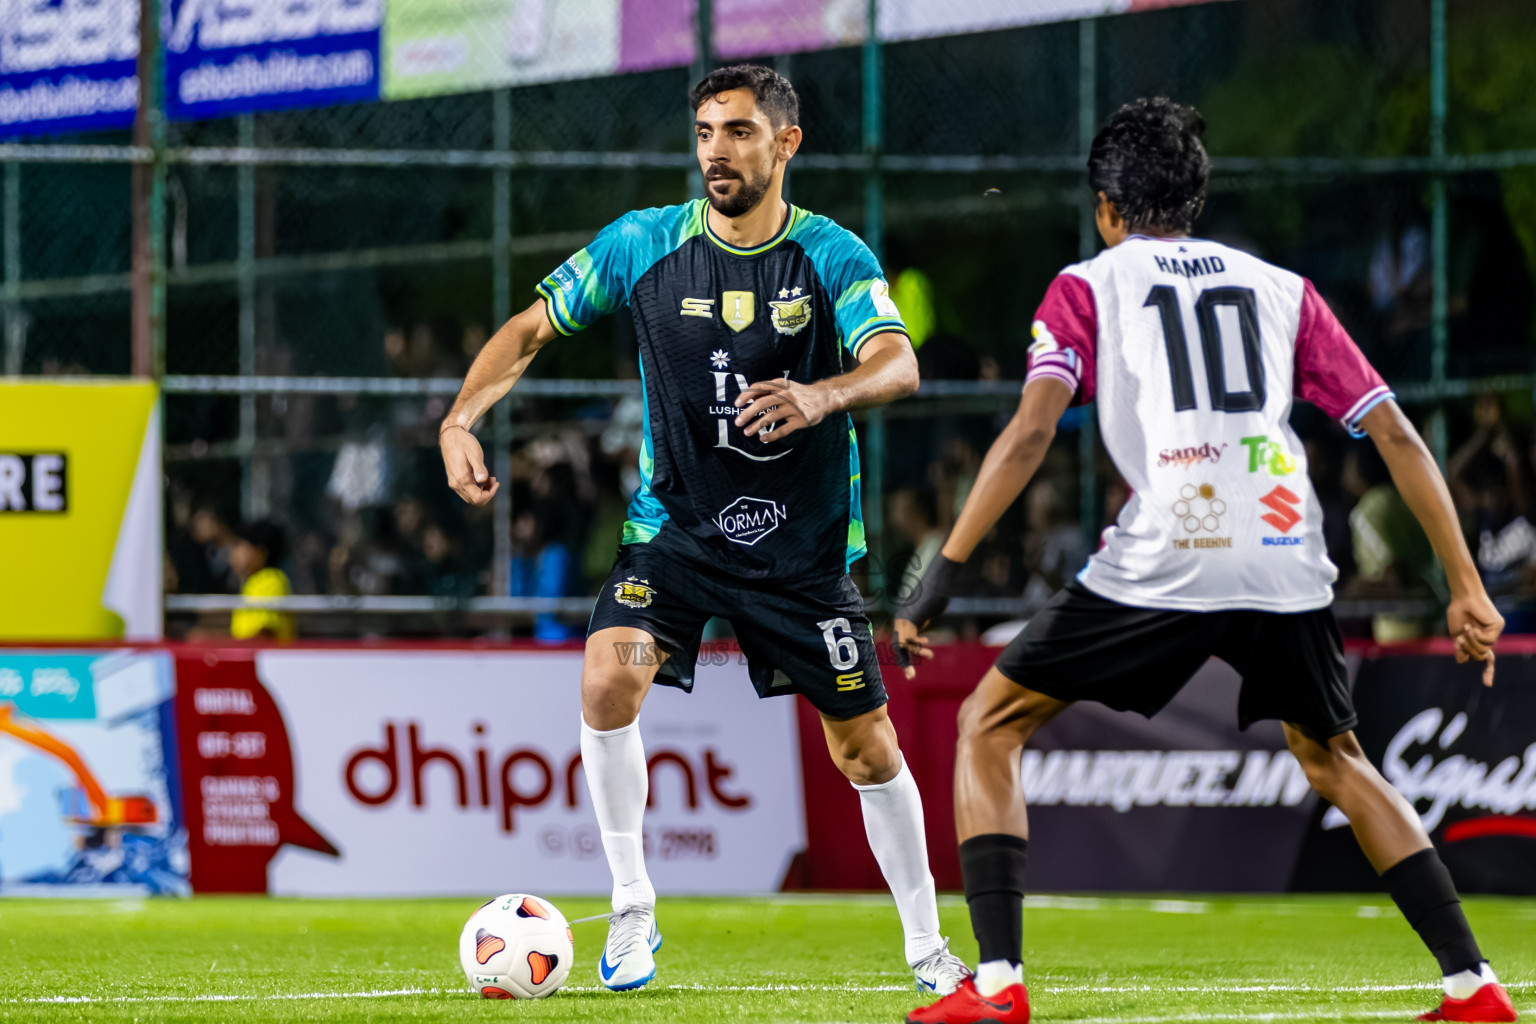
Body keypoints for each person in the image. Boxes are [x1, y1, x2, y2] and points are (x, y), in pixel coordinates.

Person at [896, 98, 1514, 1024]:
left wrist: (940, 571)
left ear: (1108, 206)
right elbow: (1394, 431)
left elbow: (1030, 433)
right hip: (1281, 547)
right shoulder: (1283, 289)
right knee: (1337, 755)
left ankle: (997, 986)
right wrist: (1465, 585)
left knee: (989, 723)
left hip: (1168, 551)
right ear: (1194, 196)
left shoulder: (1087, 284)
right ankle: (1473, 984)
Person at [440, 64, 970, 996]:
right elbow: (528, 330)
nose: (716, 151)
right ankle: (633, 903)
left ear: (786, 142)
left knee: (866, 749)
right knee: (610, 676)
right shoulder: (643, 244)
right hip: (675, 536)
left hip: (803, 554)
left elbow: (896, 363)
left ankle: (928, 948)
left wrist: (821, 393)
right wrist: (458, 422)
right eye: (705, 133)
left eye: (738, 132)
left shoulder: (833, 256)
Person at [228, 521, 296, 642]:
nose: (233, 553)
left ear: (261, 552)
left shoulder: (270, 580)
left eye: (239, 545)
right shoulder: (254, 582)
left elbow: (264, 637)